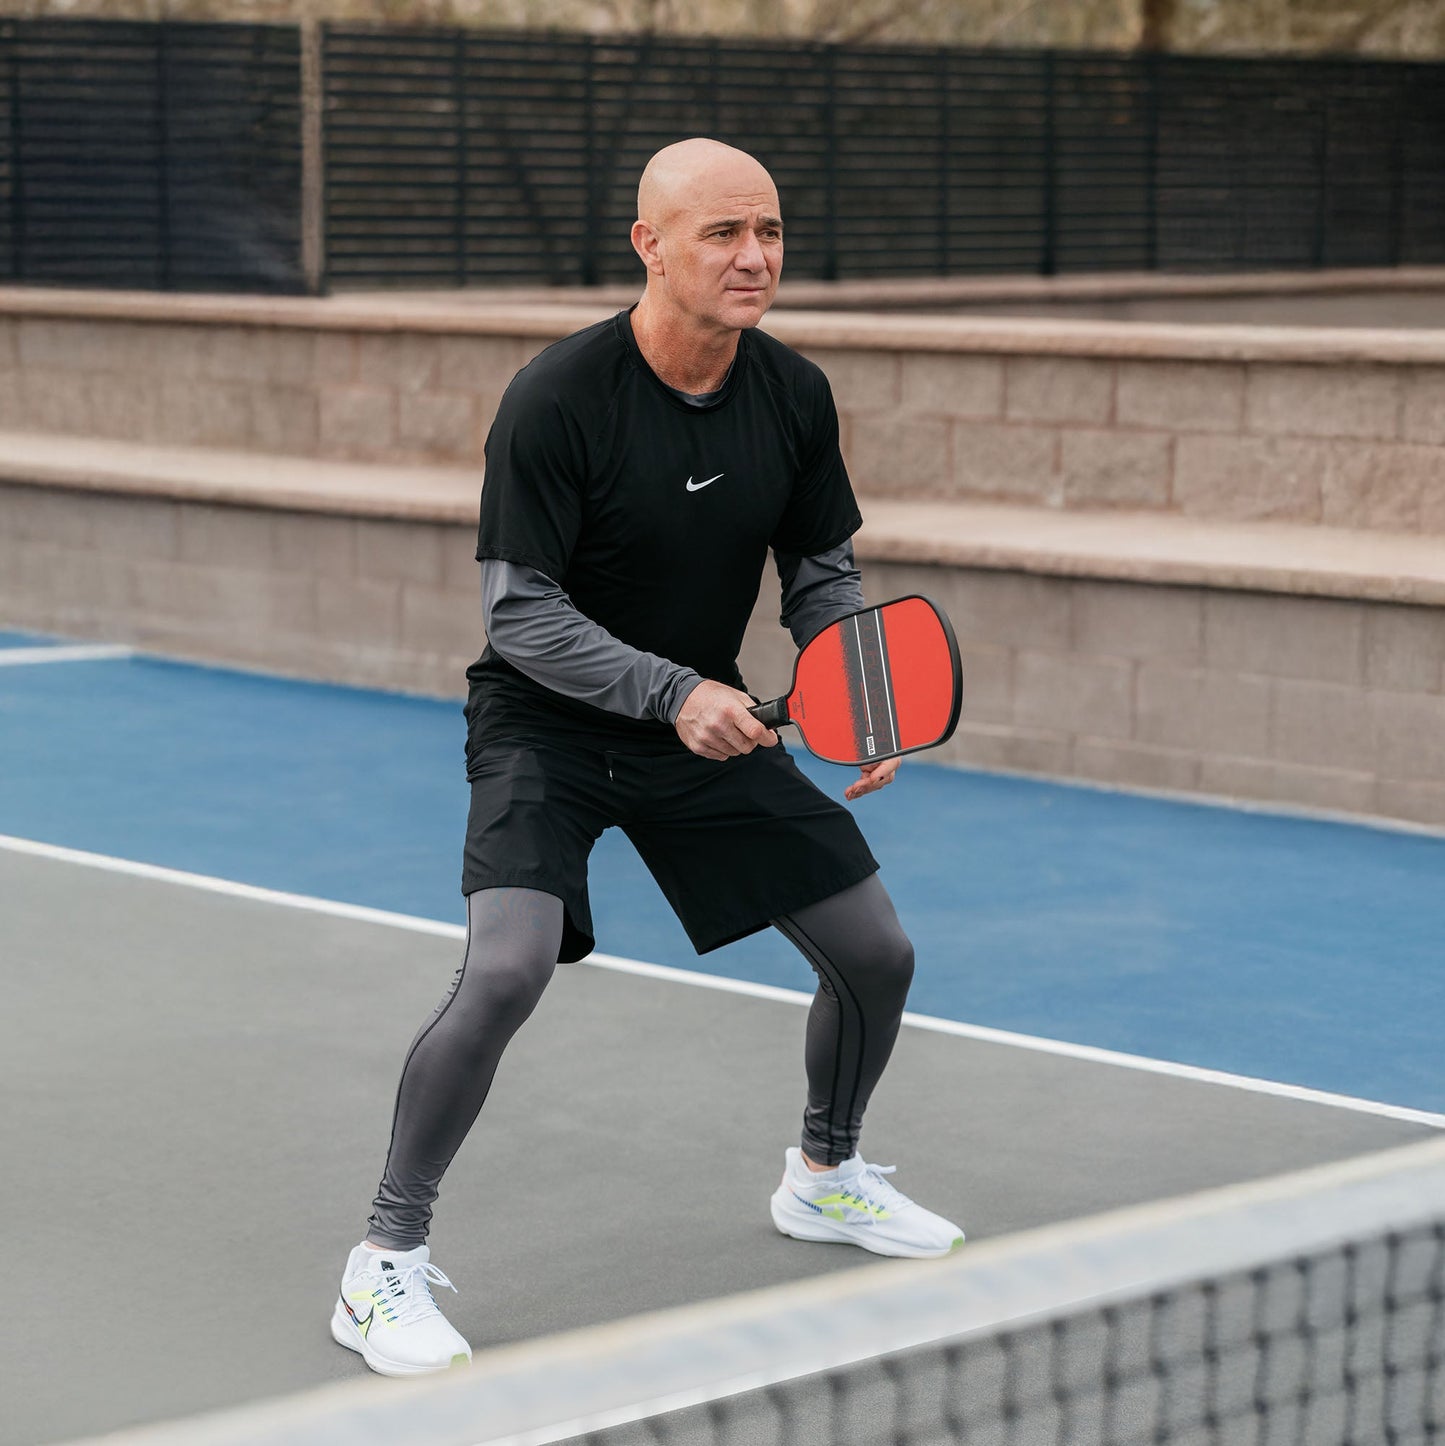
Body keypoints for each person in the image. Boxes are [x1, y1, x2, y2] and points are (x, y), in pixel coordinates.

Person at [330, 137, 964, 1378]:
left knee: (873, 954)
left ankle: (823, 1174)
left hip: (700, 724)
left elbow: (820, 573)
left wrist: (855, 689)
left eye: (768, 231)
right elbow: (520, 614)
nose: (753, 256)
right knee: (505, 970)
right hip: (548, 727)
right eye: (722, 232)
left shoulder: (792, 393)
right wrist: (673, 692)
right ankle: (382, 1261)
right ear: (651, 246)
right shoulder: (557, 397)